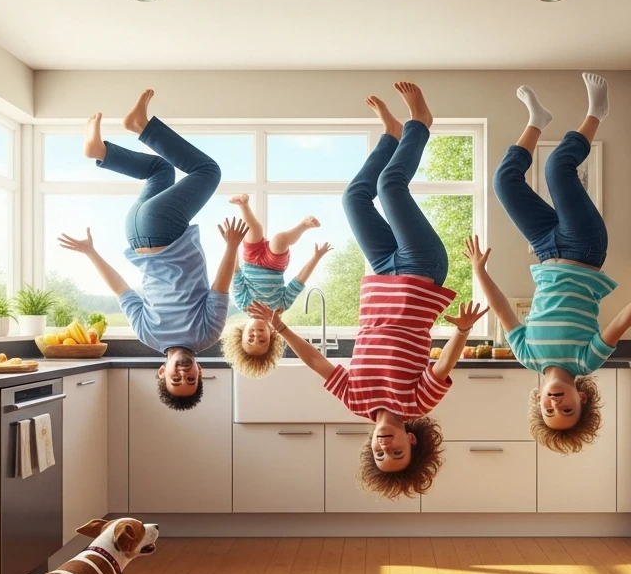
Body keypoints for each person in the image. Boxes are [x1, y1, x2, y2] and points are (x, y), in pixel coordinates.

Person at [247, 82, 487, 498]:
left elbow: (319, 363)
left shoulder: (356, 401)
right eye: (397, 454)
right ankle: (420, 125)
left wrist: (281, 329)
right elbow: (443, 366)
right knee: (391, 187)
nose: (386, 449)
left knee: (354, 199)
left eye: (380, 457)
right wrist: (462, 332)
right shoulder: (417, 404)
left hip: (381, 273)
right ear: (412, 442)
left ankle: (392, 134)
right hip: (420, 272)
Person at [468, 74, 631, 452]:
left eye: (549, 408)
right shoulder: (587, 360)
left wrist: (479, 272)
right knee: (557, 168)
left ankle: (537, 121)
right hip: (585, 248)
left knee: (504, 183)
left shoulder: (527, 356)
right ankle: (596, 112)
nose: (556, 403)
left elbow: (503, 310)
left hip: (544, 248)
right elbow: (621, 322)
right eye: (566, 408)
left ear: (538, 401)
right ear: (581, 399)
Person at [58, 89, 247, 410]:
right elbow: (219, 289)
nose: (184, 374)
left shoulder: (158, 335)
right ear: (201, 372)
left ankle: (139, 125)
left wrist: (91, 253)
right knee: (161, 170)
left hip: (162, 229)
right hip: (136, 230)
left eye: (176, 379)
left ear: (162, 372)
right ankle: (100, 151)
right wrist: (232, 247)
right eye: (191, 379)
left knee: (208, 172)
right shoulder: (204, 335)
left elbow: (121, 290)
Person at [220, 193, 332, 378]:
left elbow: (236, 272)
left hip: (251, 260)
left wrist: (231, 246)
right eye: (262, 340)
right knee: (279, 240)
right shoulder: (280, 307)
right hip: (274, 266)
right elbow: (299, 281)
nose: (256, 334)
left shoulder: (243, 303)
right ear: (271, 337)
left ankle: (243, 204)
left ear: (242, 332)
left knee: (255, 229)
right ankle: (304, 225)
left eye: (251, 338)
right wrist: (317, 257)